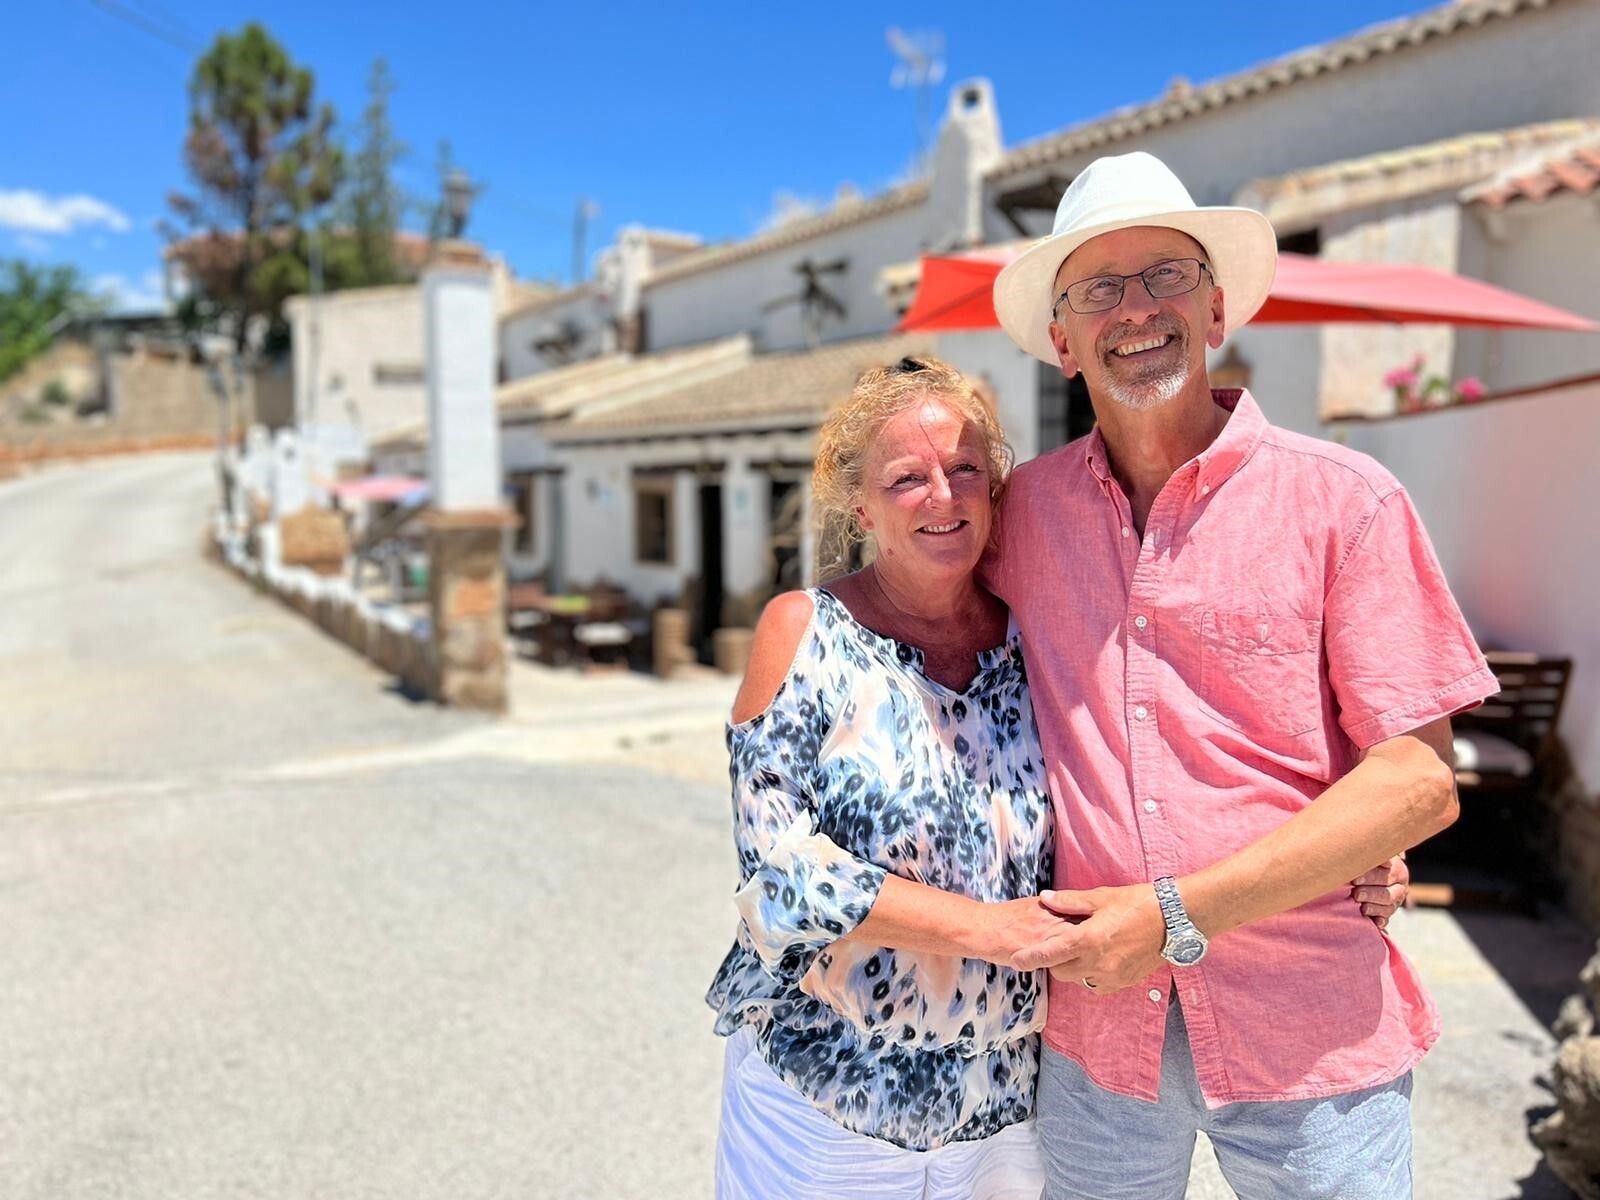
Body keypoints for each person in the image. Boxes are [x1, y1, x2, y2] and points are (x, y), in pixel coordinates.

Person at [705, 353, 1406, 1199]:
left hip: (1008, 1104)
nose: (943, 494)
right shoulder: (803, 631)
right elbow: (782, 879)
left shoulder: (1029, 628)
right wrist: (999, 933)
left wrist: (1351, 846)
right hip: (826, 1098)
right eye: (907, 478)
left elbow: (1154, 754)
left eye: (966, 469)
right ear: (859, 504)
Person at [984, 150, 1499, 1199]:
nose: (1136, 308)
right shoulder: (1017, 515)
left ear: (1215, 311)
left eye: (1166, 276)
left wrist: (1174, 913)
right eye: (1098, 288)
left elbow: (1417, 781)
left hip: (1306, 1029)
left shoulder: (1343, 501)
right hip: (1096, 1036)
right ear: (1061, 341)